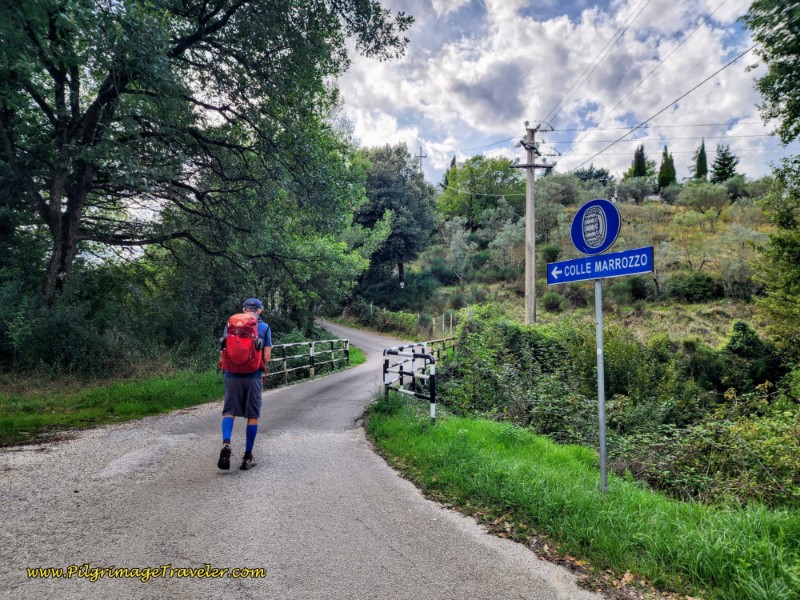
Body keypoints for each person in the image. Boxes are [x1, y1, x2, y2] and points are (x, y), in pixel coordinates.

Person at [218, 298, 272, 471]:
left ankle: (226, 443)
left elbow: (223, 353)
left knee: (229, 411)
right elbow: (266, 357)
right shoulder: (264, 327)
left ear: (244, 309)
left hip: (232, 375)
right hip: (253, 376)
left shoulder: (230, 325)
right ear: (259, 311)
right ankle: (247, 456)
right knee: (252, 415)